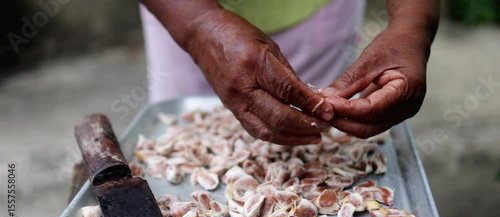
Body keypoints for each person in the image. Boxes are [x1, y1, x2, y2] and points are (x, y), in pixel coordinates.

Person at [139, 0, 439, 145]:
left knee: (322, 130)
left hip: (319, 13)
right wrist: (199, 26)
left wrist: (413, 23)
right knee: (187, 140)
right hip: (182, 11)